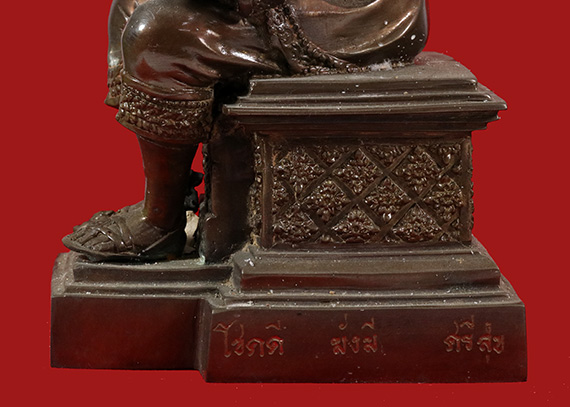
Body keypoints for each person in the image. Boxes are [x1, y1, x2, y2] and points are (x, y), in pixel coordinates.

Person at [63, 0, 429, 261]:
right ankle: (170, 187)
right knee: (131, 5)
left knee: (155, 35)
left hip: (355, 14)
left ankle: (160, 221)